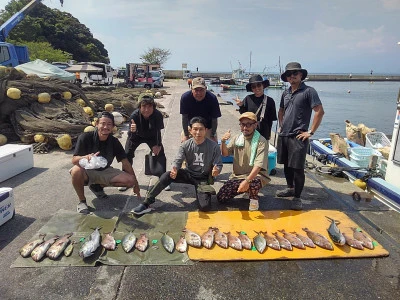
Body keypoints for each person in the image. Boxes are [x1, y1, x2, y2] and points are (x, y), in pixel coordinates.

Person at [132, 116, 223, 215]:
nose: (198, 132)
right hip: (188, 173)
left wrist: (217, 169)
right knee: (167, 175)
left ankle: (203, 193)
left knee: (205, 207)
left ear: (206, 130)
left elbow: (218, 163)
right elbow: (178, 159)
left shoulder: (214, 146)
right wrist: (175, 169)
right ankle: (147, 202)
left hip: (203, 177)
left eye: (201, 129)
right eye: (195, 129)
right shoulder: (185, 145)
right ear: (190, 130)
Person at [70, 111, 141, 214]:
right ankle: (82, 202)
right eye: (103, 123)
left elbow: (125, 163)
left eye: (109, 124)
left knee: (130, 180)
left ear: (113, 127)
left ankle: (97, 186)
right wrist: (85, 157)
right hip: (87, 171)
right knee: (76, 170)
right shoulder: (85, 137)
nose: (105, 127)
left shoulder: (114, 142)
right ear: (97, 124)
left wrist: (136, 184)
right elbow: (74, 160)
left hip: (105, 171)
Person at [276, 62, 325, 210]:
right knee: (286, 164)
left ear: (301, 75)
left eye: (295, 73)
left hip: (298, 136)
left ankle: (297, 197)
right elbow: (281, 110)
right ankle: (290, 188)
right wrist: (280, 126)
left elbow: (319, 111)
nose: (292, 76)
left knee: (297, 168)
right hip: (284, 135)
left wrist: (310, 132)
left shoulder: (309, 91)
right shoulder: (286, 92)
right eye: (289, 74)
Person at [217, 112, 270, 211]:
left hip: (256, 176)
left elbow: (258, 166)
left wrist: (247, 181)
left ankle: (254, 199)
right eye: (242, 124)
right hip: (238, 176)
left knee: (254, 182)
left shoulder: (261, 141)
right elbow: (225, 154)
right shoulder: (237, 138)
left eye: (249, 124)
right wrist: (223, 141)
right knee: (221, 197)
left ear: (255, 124)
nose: (245, 127)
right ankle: (247, 190)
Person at [118, 93, 167, 191]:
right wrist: (132, 131)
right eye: (143, 106)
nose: (146, 110)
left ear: (153, 107)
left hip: (152, 136)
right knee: (127, 154)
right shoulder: (134, 115)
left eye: (149, 107)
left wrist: (157, 145)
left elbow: (158, 132)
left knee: (160, 152)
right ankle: (125, 179)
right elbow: (130, 137)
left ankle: (163, 179)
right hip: (136, 135)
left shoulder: (158, 115)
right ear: (139, 107)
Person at [235, 74, 277, 141]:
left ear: (263, 86)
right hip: (249, 130)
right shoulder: (247, 98)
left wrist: (269, 134)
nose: (257, 88)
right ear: (251, 89)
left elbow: (271, 120)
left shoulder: (270, 101)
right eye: (254, 87)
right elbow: (243, 114)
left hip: (263, 132)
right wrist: (241, 105)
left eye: (259, 85)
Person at [180, 77, 221, 143]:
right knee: (185, 145)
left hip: (207, 128)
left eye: (201, 90)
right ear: (192, 89)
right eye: (196, 90)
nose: (199, 93)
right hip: (191, 127)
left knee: (213, 146)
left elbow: (214, 119)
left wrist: (213, 135)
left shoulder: (212, 98)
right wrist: (186, 135)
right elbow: (184, 117)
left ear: (206, 89)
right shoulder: (185, 98)